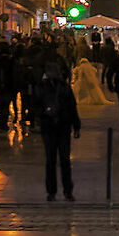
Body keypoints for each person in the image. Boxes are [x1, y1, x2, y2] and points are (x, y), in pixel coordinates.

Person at [37, 65, 81, 199]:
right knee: (62, 160)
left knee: (53, 160)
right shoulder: (64, 87)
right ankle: (65, 190)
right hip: (60, 126)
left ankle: (54, 191)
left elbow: (35, 105)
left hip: (54, 127)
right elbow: (72, 107)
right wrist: (76, 125)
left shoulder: (42, 87)